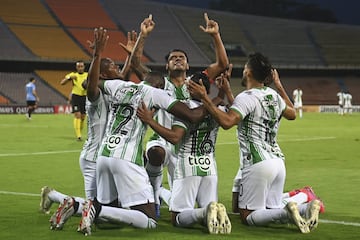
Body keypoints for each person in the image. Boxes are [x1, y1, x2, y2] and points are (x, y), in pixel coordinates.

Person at [77, 21, 212, 235]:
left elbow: (89, 85)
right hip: (127, 157)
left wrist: (97, 56)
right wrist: (211, 102)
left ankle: (83, 207)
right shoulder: (156, 93)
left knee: (111, 214)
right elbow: (192, 115)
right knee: (149, 220)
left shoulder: (119, 85)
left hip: (104, 156)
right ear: (160, 84)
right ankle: (92, 207)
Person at [188, 52, 321, 234]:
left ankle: (287, 212)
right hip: (277, 162)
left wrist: (204, 97)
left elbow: (227, 122)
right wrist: (279, 87)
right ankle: (305, 207)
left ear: (249, 72)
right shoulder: (273, 95)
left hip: (257, 163)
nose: (243, 72)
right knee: (261, 208)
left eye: (244, 69)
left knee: (248, 216)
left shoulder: (246, 96)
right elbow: (292, 114)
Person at [144, 13, 229, 216]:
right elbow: (139, 67)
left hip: (183, 146)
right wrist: (143, 36)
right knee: (157, 153)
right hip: (162, 138)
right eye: (173, 58)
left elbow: (222, 65)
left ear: (188, 65)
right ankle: (154, 196)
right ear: (167, 66)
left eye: (181, 57)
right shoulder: (160, 84)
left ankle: (164, 194)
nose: (177, 60)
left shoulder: (195, 84)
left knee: (181, 201)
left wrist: (215, 35)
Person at [137, 71, 233, 234]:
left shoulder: (184, 109)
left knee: (178, 217)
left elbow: (175, 137)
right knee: (208, 209)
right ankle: (207, 211)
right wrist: (224, 92)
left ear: (189, 89)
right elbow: (233, 113)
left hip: (188, 165)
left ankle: (204, 212)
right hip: (210, 166)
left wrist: (150, 121)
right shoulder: (219, 108)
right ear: (208, 91)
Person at [60, 60, 88, 141]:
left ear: (84, 67)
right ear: (76, 67)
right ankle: (78, 136)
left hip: (85, 97)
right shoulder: (73, 75)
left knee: (83, 117)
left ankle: (79, 133)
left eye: (81, 66)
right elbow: (62, 83)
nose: (80, 68)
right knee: (77, 115)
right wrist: (69, 78)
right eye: (78, 66)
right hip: (76, 97)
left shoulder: (87, 75)